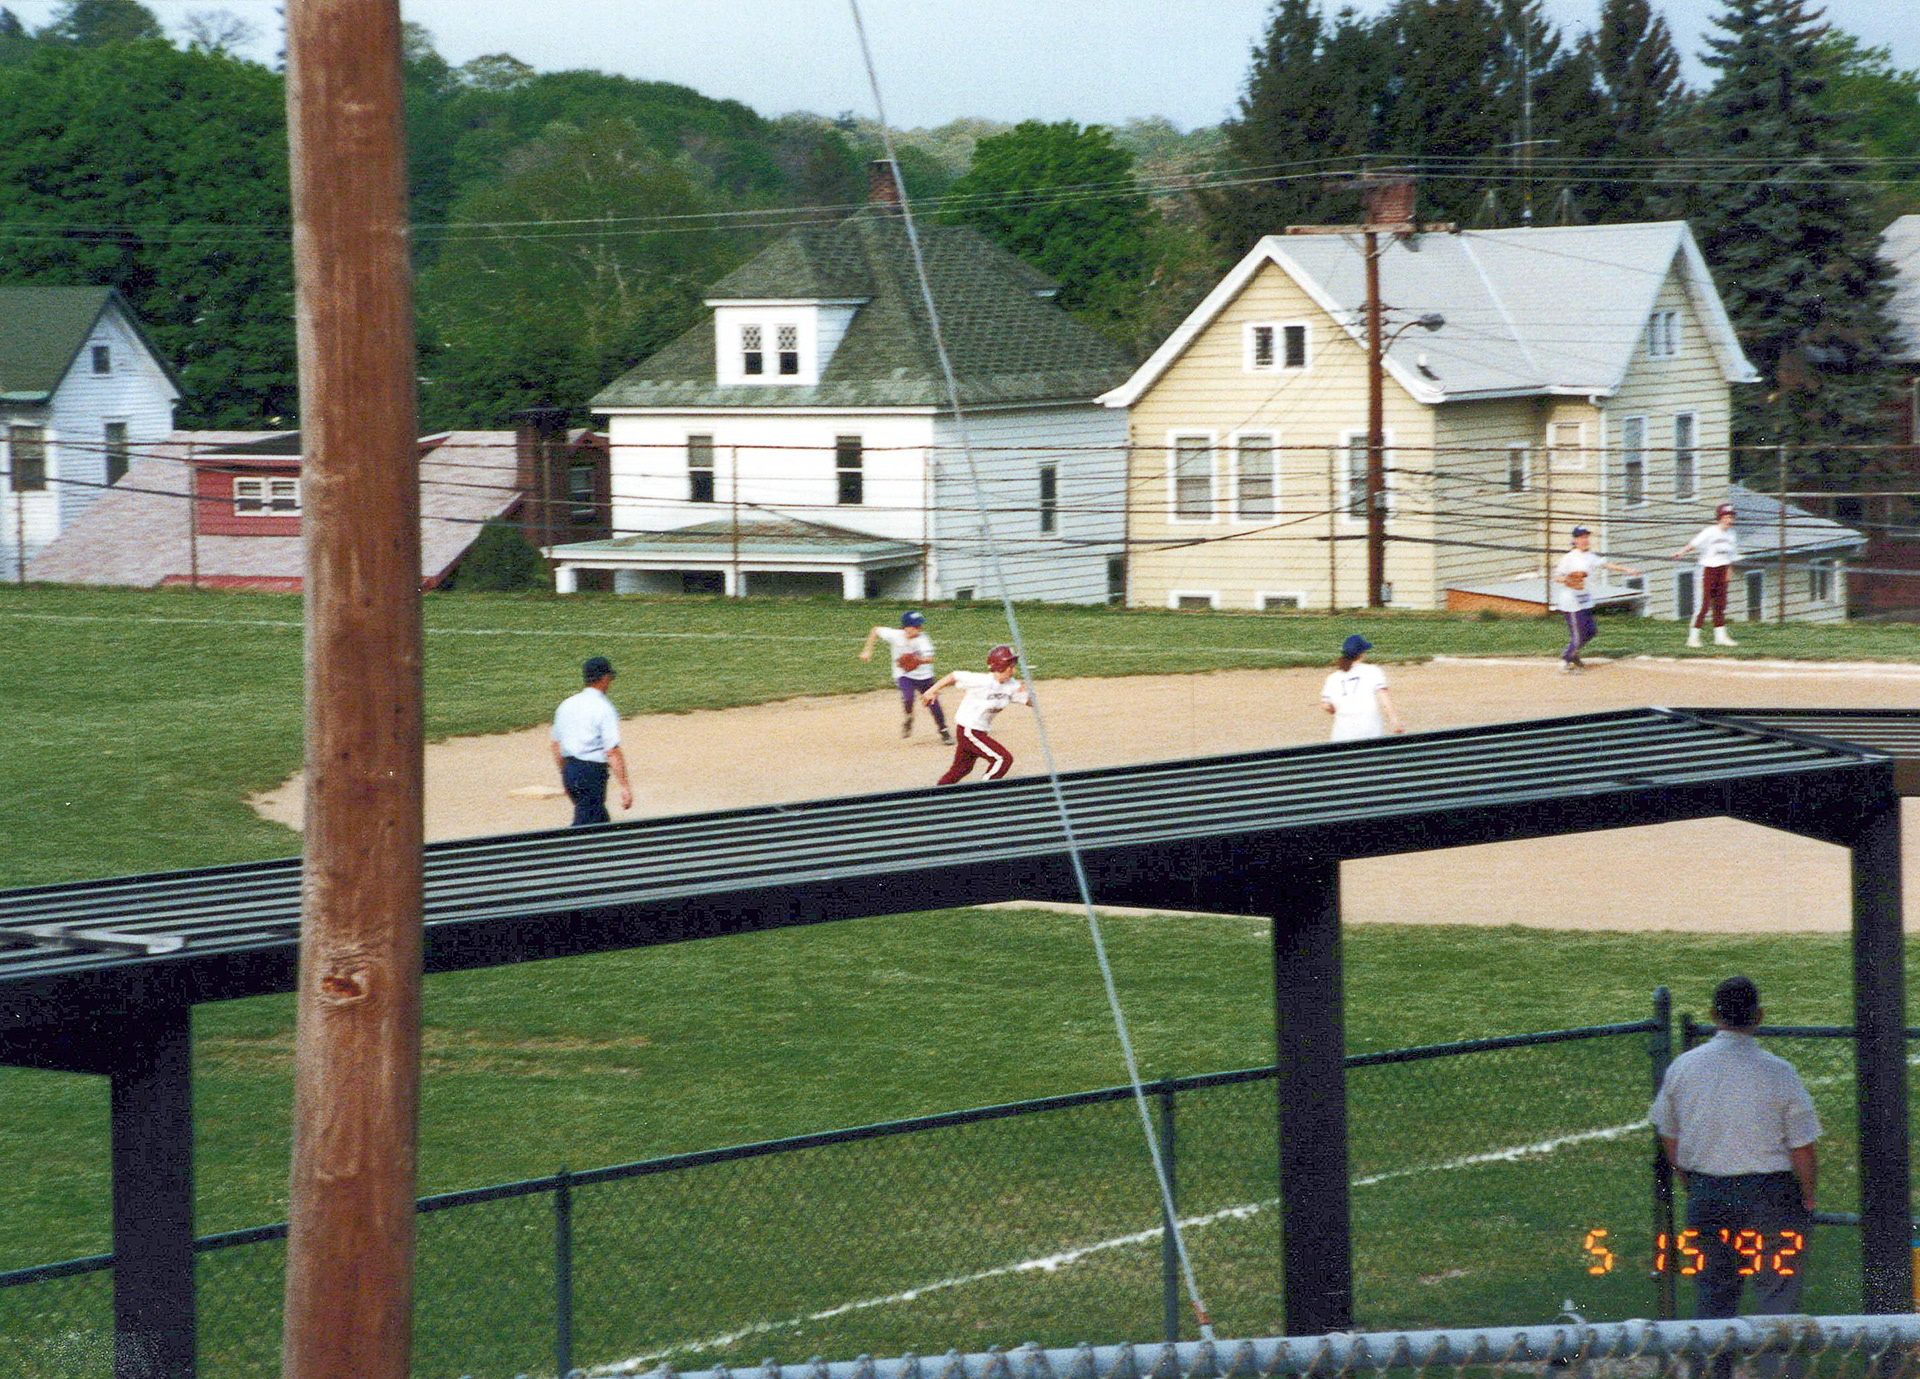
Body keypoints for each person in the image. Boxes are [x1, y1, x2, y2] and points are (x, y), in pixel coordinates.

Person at [1650, 976, 1819, 1362]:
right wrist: (1808, 1196)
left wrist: (1689, 1179)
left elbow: (1669, 1134)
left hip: (1708, 1197)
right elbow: (1802, 1147)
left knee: (1712, 1300)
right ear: (1758, 1016)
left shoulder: (1683, 1067)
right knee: (1777, 1303)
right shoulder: (1779, 1072)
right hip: (1771, 1199)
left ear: (1713, 1015)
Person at [922, 644, 1030, 785]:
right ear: (1000, 666)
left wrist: (1028, 691)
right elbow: (953, 675)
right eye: (1010, 666)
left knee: (961, 769)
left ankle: (935, 795)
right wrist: (931, 691)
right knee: (1002, 759)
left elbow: (1029, 702)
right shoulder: (982, 681)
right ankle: (985, 792)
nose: (1013, 670)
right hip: (969, 731)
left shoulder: (1011, 685)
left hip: (978, 732)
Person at [549, 655, 632, 826]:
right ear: (605, 678)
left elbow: (556, 745)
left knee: (599, 819)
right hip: (591, 774)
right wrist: (624, 786)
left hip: (570, 771)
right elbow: (612, 751)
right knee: (586, 826)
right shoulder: (604, 708)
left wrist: (565, 775)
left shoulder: (567, 704)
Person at [1554, 525, 1641, 673]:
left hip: (1585, 600)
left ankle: (1573, 654)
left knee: (1591, 631)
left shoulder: (1590, 556)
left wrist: (1627, 570)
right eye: (1581, 537)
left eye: (1586, 537)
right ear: (1575, 540)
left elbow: (1606, 565)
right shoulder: (1569, 558)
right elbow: (1557, 576)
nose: (1585, 540)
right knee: (1579, 634)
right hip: (1571, 602)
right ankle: (1565, 661)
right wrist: (1567, 580)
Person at [860, 610, 951, 743]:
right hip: (904, 675)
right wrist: (867, 650)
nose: (919, 628)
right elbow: (875, 630)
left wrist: (917, 660)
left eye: (920, 625)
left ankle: (943, 730)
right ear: (906, 627)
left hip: (924, 676)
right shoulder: (895, 635)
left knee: (932, 702)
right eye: (916, 626)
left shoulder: (923, 640)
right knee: (908, 697)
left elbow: (930, 658)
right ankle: (909, 717)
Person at [1675, 503, 1741, 649]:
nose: (1729, 520)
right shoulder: (1710, 531)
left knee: (1720, 604)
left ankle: (1720, 636)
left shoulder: (1732, 534)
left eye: (1731, 517)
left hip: (1722, 569)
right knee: (1703, 605)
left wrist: (1728, 572)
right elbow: (1694, 544)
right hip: (1707, 569)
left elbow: (1731, 555)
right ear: (1720, 518)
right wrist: (1681, 552)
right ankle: (1693, 637)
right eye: (1726, 517)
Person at [1320, 634, 1403, 740]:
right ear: (1361, 654)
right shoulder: (1373, 671)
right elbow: (1384, 698)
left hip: (1342, 735)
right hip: (1370, 732)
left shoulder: (1333, 678)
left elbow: (1327, 706)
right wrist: (1395, 721)